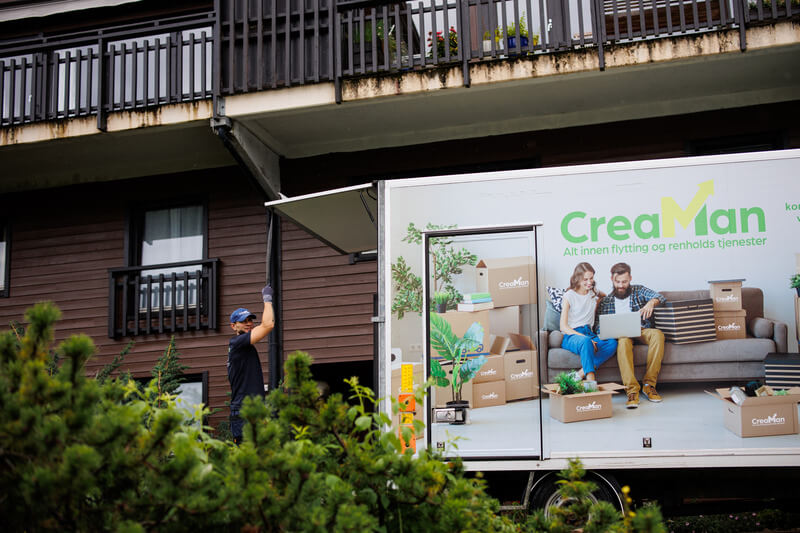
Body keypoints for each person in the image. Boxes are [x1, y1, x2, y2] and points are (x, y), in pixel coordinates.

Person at [598, 262, 666, 409]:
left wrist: (651, 303)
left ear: (630, 278)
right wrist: (612, 331)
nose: (621, 285)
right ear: (612, 279)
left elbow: (659, 297)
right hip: (622, 335)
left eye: (624, 281)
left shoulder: (638, 290)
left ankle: (649, 385)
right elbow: (599, 326)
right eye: (617, 282)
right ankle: (632, 391)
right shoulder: (606, 301)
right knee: (623, 342)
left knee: (658, 334)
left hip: (641, 330)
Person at [227, 284, 275, 444]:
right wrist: (267, 298)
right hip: (244, 413)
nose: (248, 324)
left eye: (250, 320)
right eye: (243, 321)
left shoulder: (243, 346)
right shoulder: (237, 343)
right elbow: (268, 325)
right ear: (233, 326)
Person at [560, 262, 618, 383]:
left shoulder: (592, 293)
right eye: (585, 279)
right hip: (572, 335)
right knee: (586, 342)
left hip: (589, 333)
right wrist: (585, 338)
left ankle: (579, 374)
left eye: (591, 278)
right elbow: (563, 327)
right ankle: (591, 382)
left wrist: (597, 301)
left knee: (612, 343)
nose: (589, 282)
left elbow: (603, 295)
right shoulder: (569, 295)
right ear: (577, 279)